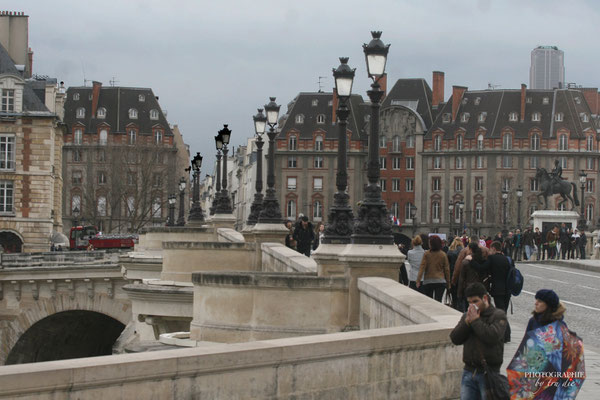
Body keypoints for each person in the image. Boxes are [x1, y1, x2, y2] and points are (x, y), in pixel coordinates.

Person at [450, 282, 508, 400]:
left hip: (488, 374)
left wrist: (476, 321)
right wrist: (466, 323)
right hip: (469, 371)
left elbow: (492, 337)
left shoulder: (498, 315)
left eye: (475, 301)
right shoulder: (468, 316)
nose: (472, 305)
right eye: (470, 302)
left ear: (485, 298)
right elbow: (455, 338)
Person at [416, 235, 450, 302]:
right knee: (438, 301)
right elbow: (447, 270)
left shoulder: (426, 254)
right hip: (440, 281)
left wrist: (418, 280)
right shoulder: (443, 254)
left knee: (429, 302)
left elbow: (422, 267)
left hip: (428, 281)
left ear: (431, 244)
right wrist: (448, 283)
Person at [457, 243, 490, 311]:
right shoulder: (484, 261)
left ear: (471, 250)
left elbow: (461, 278)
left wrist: (459, 293)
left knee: (468, 309)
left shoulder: (466, 262)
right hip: (480, 288)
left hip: (469, 288)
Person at [447, 238, 464, 309]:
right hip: (462, 275)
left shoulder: (450, 252)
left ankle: (455, 305)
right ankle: (460, 307)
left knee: (453, 293)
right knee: (461, 294)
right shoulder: (464, 252)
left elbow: (447, 265)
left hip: (452, 274)